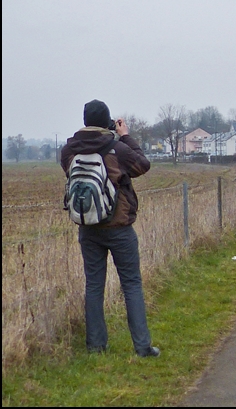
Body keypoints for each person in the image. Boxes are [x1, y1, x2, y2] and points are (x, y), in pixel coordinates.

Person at [60, 99, 159, 357]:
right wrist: (125, 136)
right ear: (106, 122)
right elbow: (142, 164)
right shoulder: (115, 148)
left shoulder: (69, 151)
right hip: (119, 227)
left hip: (88, 226)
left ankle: (96, 346)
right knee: (131, 284)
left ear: (85, 121)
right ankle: (142, 347)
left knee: (94, 285)